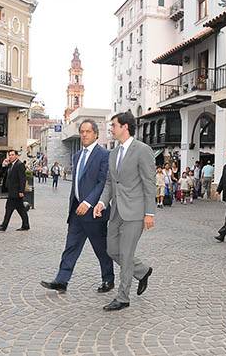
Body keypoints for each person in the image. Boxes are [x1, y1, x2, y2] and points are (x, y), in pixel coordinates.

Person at [41, 120, 114, 294]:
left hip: (94, 212)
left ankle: (108, 279)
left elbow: (102, 183)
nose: (84, 135)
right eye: (82, 131)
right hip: (76, 212)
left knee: (101, 249)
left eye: (88, 131)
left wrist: (88, 202)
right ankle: (61, 280)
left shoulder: (104, 154)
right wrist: (77, 202)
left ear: (96, 134)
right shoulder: (77, 155)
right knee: (71, 246)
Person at [93, 111, 155, 311]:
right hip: (116, 211)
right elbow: (110, 183)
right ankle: (143, 271)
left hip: (135, 212)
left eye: (113, 125)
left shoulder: (142, 150)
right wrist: (102, 203)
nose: (111, 129)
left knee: (126, 254)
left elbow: (149, 183)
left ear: (125, 127)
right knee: (112, 250)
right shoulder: (113, 153)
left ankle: (123, 297)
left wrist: (149, 213)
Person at [0, 150, 29, 231]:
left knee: (9, 208)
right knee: (21, 209)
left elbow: (22, 179)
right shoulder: (10, 165)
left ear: (16, 156)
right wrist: (3, 164)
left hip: (16, 192)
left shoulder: (20, 165)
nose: (10, 156)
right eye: (9, 155)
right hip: (11, 190)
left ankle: (4, 226)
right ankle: (26, 225)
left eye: (12, 155)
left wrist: (21, 191)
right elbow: (0, 173)